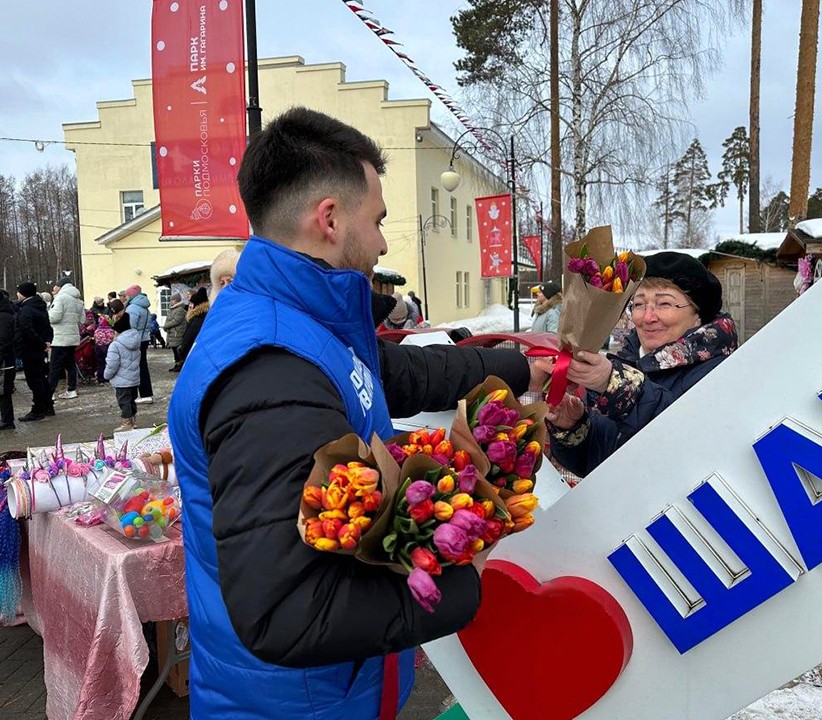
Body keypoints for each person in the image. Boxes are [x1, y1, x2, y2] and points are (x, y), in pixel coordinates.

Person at [167, 107, 544, 719]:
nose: (384, 242)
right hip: (296, 703)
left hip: (335, 690)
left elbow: (395, 375)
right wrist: (465, 573)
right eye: (378, 221)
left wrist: (520, 369)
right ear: (331, 219)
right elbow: (287, 613)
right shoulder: (269, 367)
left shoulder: (304, 324)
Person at [543, 251, 738, 477]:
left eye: (664, 303)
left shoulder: (723, 371)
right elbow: (595, 464)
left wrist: (618, 385)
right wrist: (575, 427)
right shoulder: (626, 362)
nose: (647, 317)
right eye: (639, 304)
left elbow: (689, 445)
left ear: (698, 314)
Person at [14, 282, 53, 421]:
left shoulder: (26, 310)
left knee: (34, 380)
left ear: (24, 293)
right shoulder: (39, 306)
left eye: (18, 292)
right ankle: (48, 405)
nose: (16, 294)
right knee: (41, 378)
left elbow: (27, 330)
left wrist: (41, 343)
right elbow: (48, 327)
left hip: (30, 349)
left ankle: (38, 409)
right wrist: (47, 341)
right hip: (38, 348)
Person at [103, 311, 141, 432]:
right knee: (131, 400)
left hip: (121, 380)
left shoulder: (115, 345)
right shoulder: (135, 342)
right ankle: (133, 420)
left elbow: (112, 363)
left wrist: (106, 375)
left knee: (123, 402)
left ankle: (127, 422)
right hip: (134, 378)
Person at [123, 284, 154, 404]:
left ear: (131, 295)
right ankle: (146, 393)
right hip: (144, 338)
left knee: (136, 367)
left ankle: (140, 394)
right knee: (143, 366)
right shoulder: (144, 307)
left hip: (136, 340)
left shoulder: (133, 308)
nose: (125, 297)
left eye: (126, 294)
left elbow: (130, 326)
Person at [177, 287, 209, 359]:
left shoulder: (197, 319)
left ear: (196, 304)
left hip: (194, 355)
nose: (190, 306)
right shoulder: (206, 315)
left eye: (191, 303)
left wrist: (181, 350)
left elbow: (188, 338)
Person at [0, 290, 15, 430]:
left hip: (4, 361)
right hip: (4, 358)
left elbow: (3, 341)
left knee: (3, 391)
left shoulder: (4, 317)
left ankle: (7, 420)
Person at [163, 292, 187, 371]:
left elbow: (176, 321)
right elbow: (168, 319)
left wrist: (166, 326)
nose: (171, 302)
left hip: (177, 333)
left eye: (172, 300)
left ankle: (180, 365)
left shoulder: (179, 309)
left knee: (178, 351)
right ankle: (176, 365)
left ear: (176, 300)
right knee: (174, 350)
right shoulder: (172, 309)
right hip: (172, 333)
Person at [93, 315, 116, 384]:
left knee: (100, 364)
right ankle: (108, 378)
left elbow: (95, 340)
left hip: (99, 349)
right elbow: (113, 339)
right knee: (108, 363)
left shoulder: (97, 331)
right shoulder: (111, 331)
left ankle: (100, 378)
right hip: (108, 348)